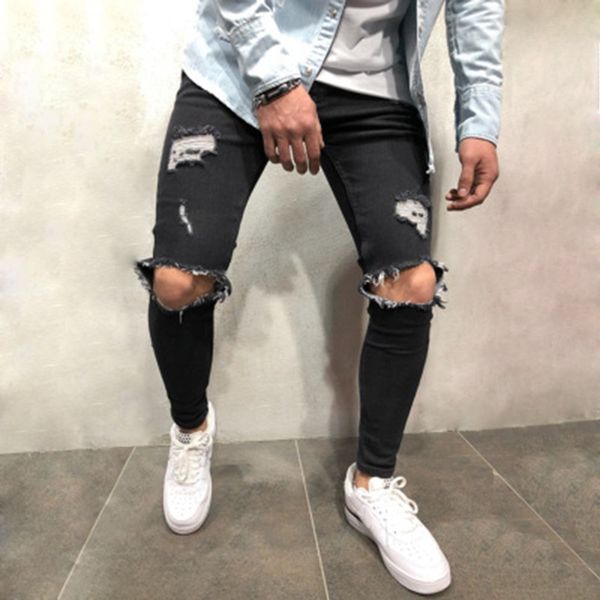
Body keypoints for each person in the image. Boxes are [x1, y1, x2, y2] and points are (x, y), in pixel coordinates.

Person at [132, 0, 503, 594]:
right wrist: (277, 82)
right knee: (178, 282)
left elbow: (476, 6)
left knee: (410, 283)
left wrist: (479, 119)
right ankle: (191, 428)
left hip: (377, 91)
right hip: (237, 73)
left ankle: (371, 485)